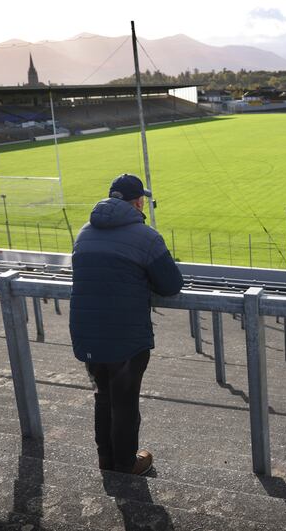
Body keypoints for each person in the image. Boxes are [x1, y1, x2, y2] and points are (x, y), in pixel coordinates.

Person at [70, 173, 184, 475]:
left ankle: (106, 459)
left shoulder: (84, 232)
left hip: (87, 335)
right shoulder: (145, 236)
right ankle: (125, 463)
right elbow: (171, 285)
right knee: (124, 402)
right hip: (125, 338)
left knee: (103, 397)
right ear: (138, 202)